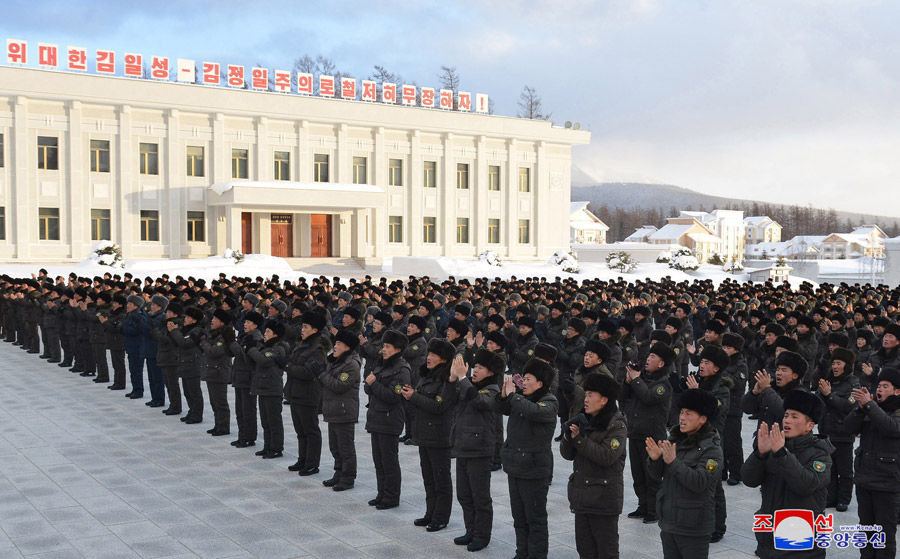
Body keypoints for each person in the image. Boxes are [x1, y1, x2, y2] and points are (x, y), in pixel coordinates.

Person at [741, 390, 832, 559]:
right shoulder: (776, 446)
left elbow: (806, 485)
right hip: (769, 537)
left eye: (794, 417)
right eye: (786, 416)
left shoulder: (820, 453)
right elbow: (749, 480)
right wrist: (760, 454)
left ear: (809, 426)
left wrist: (782, 454)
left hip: (801, 542)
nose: (787, 420)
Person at [647, 389, 723, 559]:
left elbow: (700, 482)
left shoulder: (712, 449)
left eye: (689, 414)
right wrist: (655, 459)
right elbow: (656, 475)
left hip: (693, 527)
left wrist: (673, 462)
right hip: (669, 522)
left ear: (703, 419)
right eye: (681, 412)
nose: (682, 417)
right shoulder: (674, 440)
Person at [494, 358, 558, 559]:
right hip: (515, 465)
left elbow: (533, 411)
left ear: (540, 383)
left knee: (535, 519)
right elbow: (499, 408)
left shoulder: (549, 401)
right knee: (519, 517)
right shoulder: (521, 398)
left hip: (534, 469)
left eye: (529, 379)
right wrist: (503, 395)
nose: (524, 382)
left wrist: (514, 395)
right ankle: (522, 553)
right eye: (524, 378)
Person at [560, 373, 626, 559]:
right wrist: (568, 437)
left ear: (604, 400)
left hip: (603, 499)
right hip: (582, 497)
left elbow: (607, 456)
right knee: (585, 550)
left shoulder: (616, 425)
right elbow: (567, 455)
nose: (586, 399)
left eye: (590, 395)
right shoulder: (585, 418)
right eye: (586, 394)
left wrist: (580, 440)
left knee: (606, 552)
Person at [402, 338, 459, 532]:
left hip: (439, 436)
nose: (429, 357)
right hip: (424, 434)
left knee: (441, 479)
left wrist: (414, 397)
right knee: (429, 478)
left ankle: (441, 517)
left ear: (444, 359)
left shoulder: (448, 380)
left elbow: (440, 406)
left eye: (434, 355)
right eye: (429, 353)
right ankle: (430, 513)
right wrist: (411, 395)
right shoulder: (427, 375)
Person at [450, 349, 503, 552]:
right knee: (464, 495)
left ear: (490, 372)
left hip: (480, 450)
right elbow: (449, 399)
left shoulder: (493, 390)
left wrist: (463, 378)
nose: (475, 371)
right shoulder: (469, 387)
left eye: (480, 368)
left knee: (480, 497)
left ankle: (481, 536)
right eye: (475, 367)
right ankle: (470, 531)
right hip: (463, 447)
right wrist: (453, 378)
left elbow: (480, 401)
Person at [846, 367, 900, 559]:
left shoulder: (893, 410)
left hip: (887, 482)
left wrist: (869, 405)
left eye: (885, 386)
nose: (880, 389)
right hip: (864, 479)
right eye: (879, 386)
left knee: (884, 533)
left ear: (897, 391)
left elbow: (891, 427)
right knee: (866, 529)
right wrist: (860, 409)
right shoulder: (871, 408)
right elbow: (849, 427)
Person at [621, 341, 675, 524]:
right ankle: (642, 505)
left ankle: (654, 509)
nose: (648, 359)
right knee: (638, 475)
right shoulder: (642, 378)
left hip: (653, 436)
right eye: (649, 355)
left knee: (652, 476)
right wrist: (628, 381)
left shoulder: (664, 384)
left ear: (661, 363)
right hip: (635, 432)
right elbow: (622, 396)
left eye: (652, 357)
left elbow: (648, 397)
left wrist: (636, 380)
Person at [364, 329, 411, 510]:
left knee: (389, 461)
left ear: (398, 349)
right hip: (376, 417)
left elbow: (393, 396)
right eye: (383, 346)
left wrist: (374, 383)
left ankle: (391, 497)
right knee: (378, 461)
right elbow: (368, 388)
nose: (384, 349)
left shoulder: (402, 370)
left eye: (388, 346)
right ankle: (381, 493)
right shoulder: (381, 364)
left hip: (390, 420)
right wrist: (371, 383)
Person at [284, 311, 331, 475]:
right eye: (302, 327)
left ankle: (312, 463)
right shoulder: (302, 344)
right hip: (295, 392)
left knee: (310, 430)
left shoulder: (317, 349)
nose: (302, 330)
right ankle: (302, 459)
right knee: (300, 431)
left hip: (308, 394)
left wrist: (287, 366)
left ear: (315, 330)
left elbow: (308, 372)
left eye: (305, 327)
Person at [816, 346, 859, 511]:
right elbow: (817, 401)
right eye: (833, 363)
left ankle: (844, 499)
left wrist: (829, 395)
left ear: (847, 365)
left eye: (838, 363)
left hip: (843, 434)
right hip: (826, 432)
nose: (835, 366)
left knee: (845, 471)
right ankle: (831, 497)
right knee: (830, 469)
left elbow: (848, 406)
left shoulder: (853, 383)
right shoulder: (828, 380)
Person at [319, 329, 362, 491]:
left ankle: (348, 478)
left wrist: (322, 374)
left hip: (344, 411)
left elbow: (339, 386)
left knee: (345, 447)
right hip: (333, 410)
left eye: (338, 343)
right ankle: (339, 473)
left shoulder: (351, 365)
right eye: (335, 343)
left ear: (347, 347)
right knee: (335, 446)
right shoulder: (335, 361)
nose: (335, 346)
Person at [248, 321, 289, 459]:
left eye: (268, 332)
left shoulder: (278, 349)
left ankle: (276, 448)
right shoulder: (265, 347)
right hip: (263, 387)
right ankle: (267, 446)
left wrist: (251, 349)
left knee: (274, 421)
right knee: (265, 421)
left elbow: (263, 360)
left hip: (272, 388)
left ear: (275, 335)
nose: (264, 334)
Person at [229, 310, 264, 447]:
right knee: (240, 410)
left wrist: (232, 343)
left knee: (248, 410)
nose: (245, 324)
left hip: (248, 378)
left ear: (255, 325)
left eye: (248, 322)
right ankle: (242, 436)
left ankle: (249, 437)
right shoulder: (245, 336)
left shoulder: (256, 338)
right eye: (245, 321)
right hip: (240, 376)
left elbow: (246, 357)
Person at [199, 309, 235, 436]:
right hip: (212, 371)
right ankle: (218, 424)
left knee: (220, 402)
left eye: (215, 319)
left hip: (219, 372)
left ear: (222, 322)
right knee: (214, 401)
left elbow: (214, 351)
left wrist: (203, 343)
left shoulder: (223, 337)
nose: (212, 321)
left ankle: (224, 427)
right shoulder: (214, 334)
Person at [168, 307, 206, 424]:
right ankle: (192, 411)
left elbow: (185, 342)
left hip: (193, 365)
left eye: (188, 317)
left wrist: (174, 331)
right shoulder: (186, 330)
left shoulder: (197, 331)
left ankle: (197, 415)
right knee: (187, 392)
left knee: (194, 392)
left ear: (194, 320)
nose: (185, 319)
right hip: (185, 365)